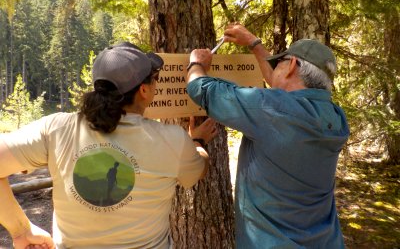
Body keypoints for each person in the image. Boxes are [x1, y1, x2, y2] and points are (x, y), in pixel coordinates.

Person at [0, 42, 217, 249]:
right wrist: (196, 143)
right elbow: (198, 171)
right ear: (144, 90)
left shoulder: (56, 128)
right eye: (155, 78)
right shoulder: (174, 140)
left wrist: (21, 230)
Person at [186, 24, 350, 248]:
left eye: (280, 63)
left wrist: (197, 64)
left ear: (292, 65)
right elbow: (279, 83)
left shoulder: (271, 109)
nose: (274, 69)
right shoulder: (336, 117)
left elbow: (200, 88)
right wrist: (254, 44)